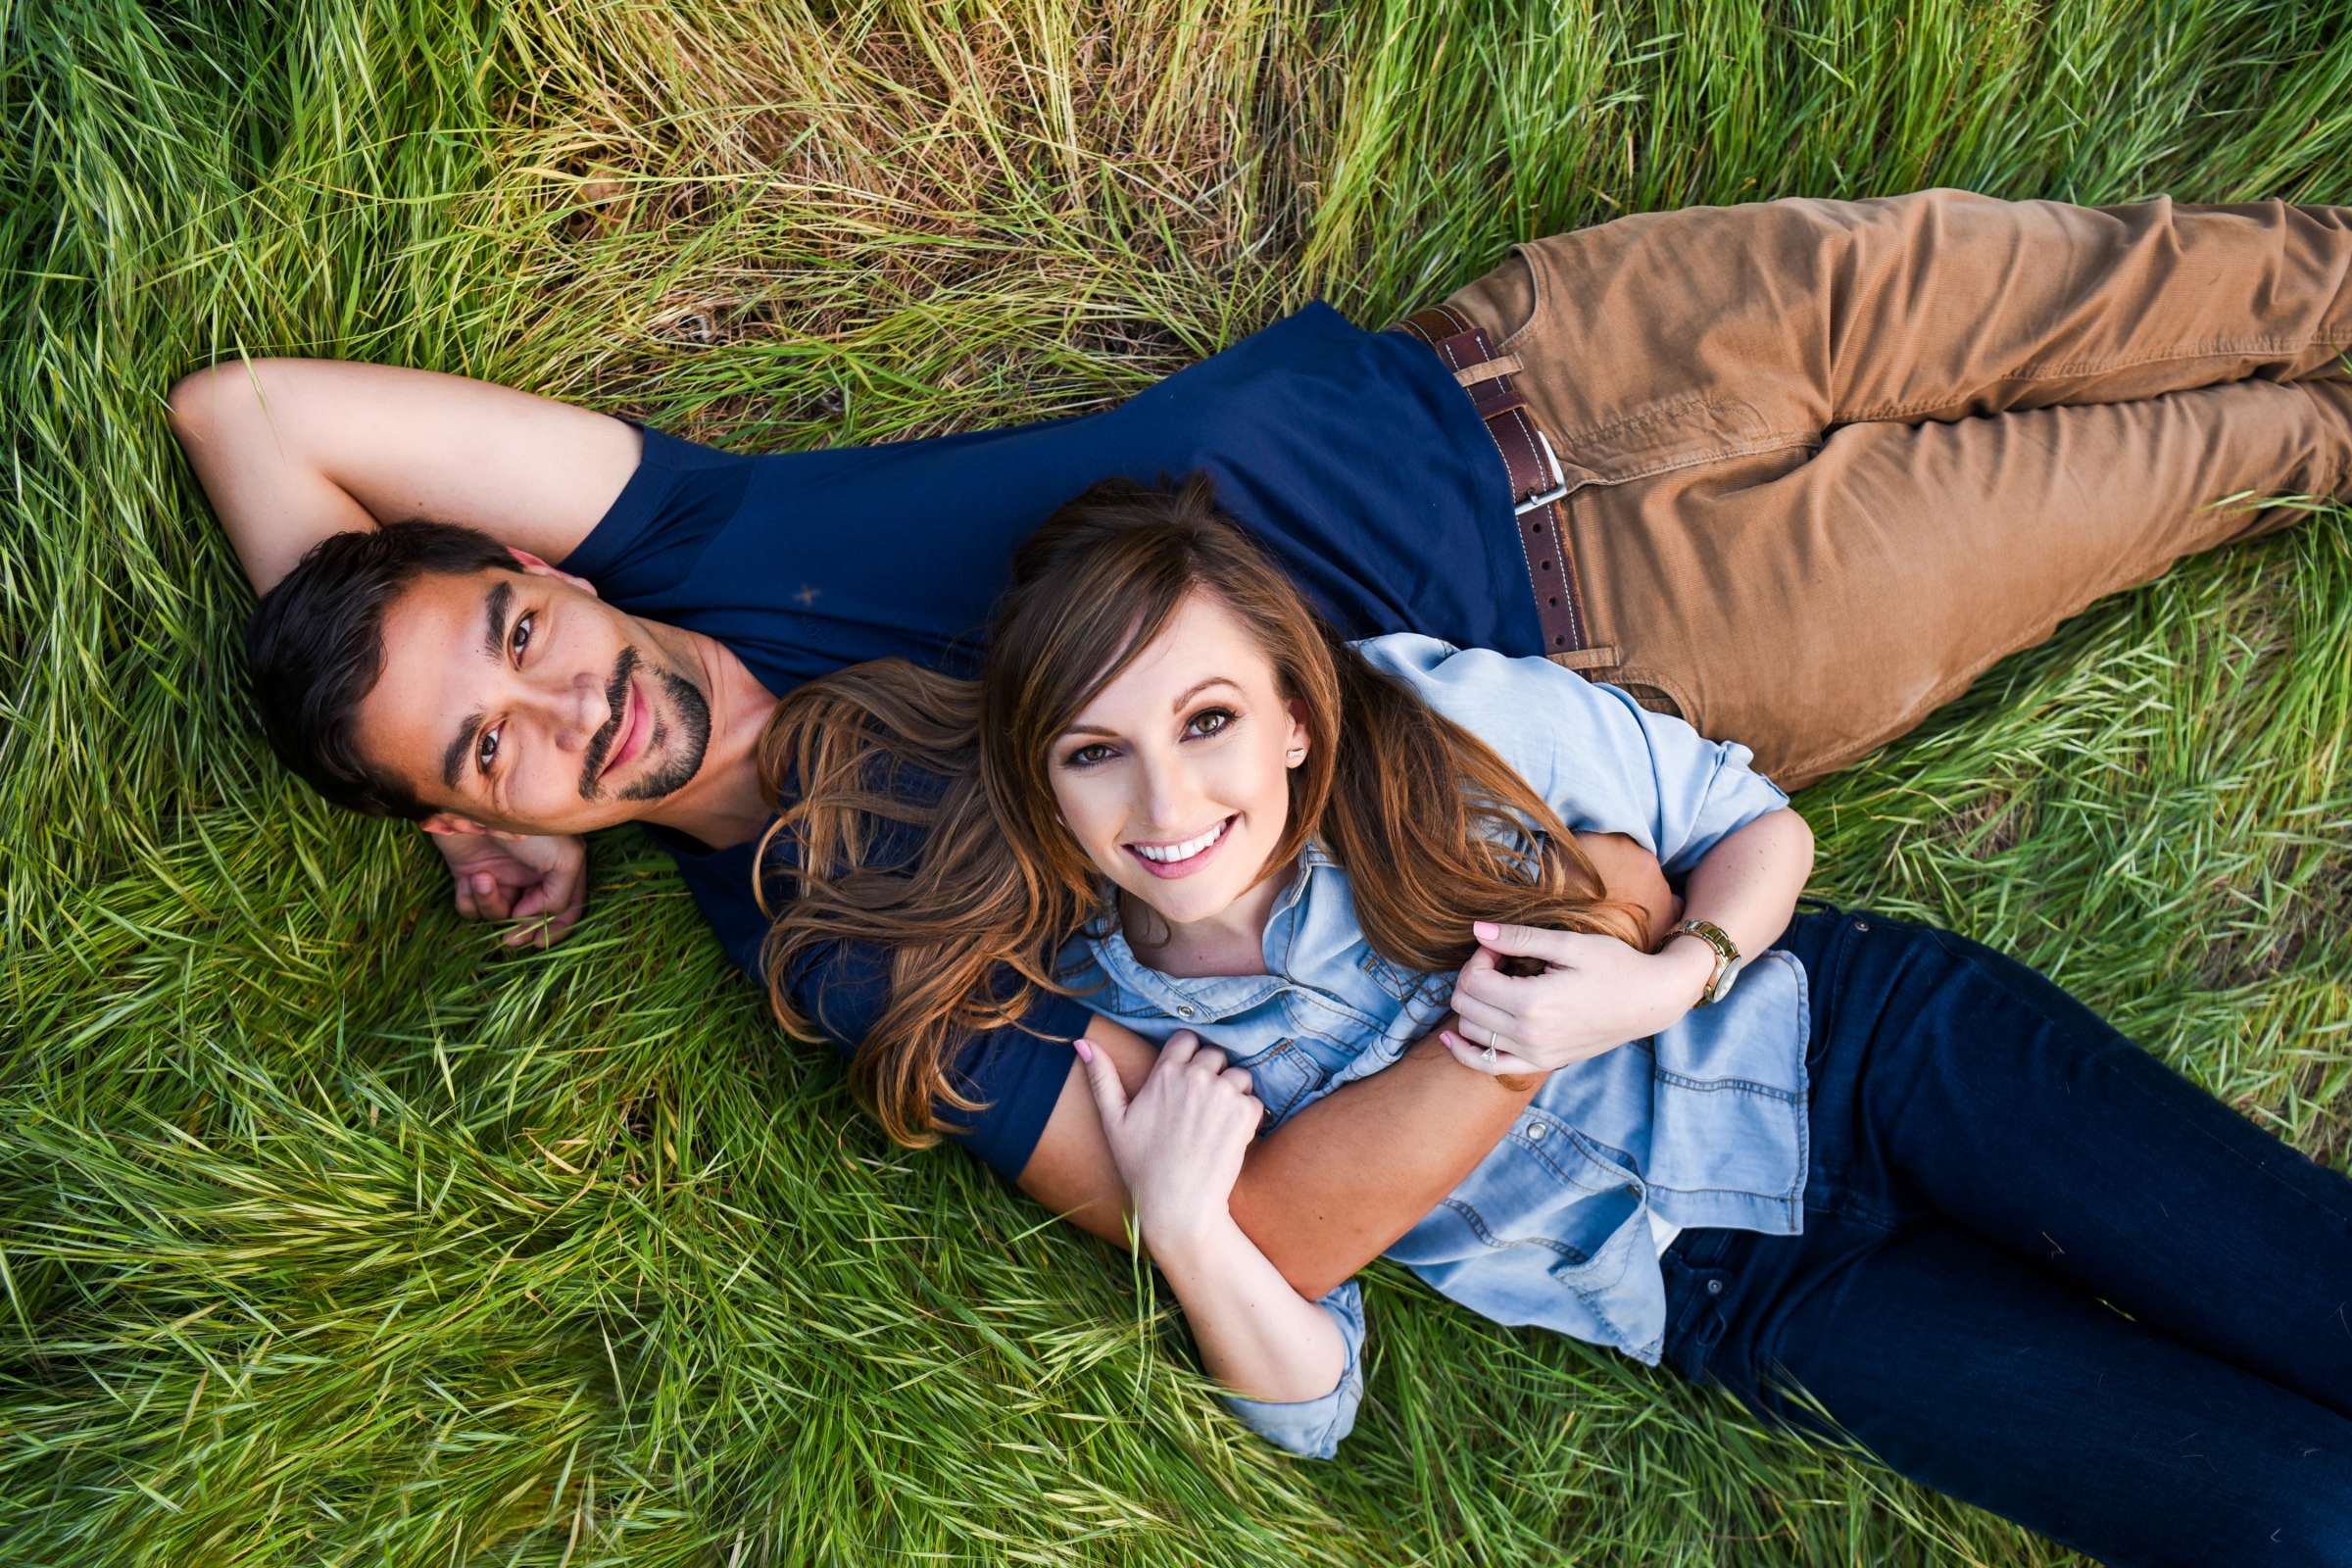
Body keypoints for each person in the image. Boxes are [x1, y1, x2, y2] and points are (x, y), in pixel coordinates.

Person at [169, 189, 2352, 1299]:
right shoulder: (827, 928)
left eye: (518, 629)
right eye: (504, 749)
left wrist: (449, 753)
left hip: (1554, 350)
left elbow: (246, 413)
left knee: (2230, 275)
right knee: (2248, 443)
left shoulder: (703, 535)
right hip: (1668, 637)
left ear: (544, 566)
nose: (576, 700)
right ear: (478, 822)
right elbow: (1246, 1229)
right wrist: (455, 788)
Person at [765, 475, 2352, 1567]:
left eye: (1209, 723)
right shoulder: (1114, 1022)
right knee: (2299, 1524)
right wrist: (1189, 1226)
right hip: (1740, 1300)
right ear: (1041, 777)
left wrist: (1674, 976)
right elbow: (1309, 1404)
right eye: (1095, 753)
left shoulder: (1437, 726)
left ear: (1296, 713)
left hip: (1864, 1048)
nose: (1170, 804)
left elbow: (1751, 824)